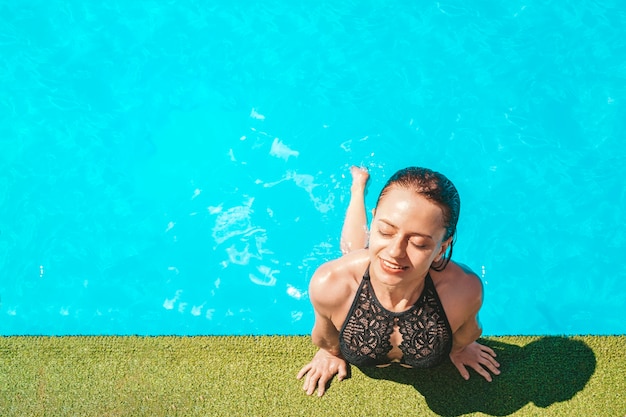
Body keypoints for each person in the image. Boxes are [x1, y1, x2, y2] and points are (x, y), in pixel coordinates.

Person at [296, 166, 500, 397]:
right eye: (385, 231)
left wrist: (462, 349)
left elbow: (467, 332)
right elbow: (326, 338)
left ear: (442, 248)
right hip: (353, 270)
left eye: (419, 243)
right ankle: (358, 188)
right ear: (374, 222)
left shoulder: (464, 290)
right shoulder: (332, 283)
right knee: (353, 251)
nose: (395, 252)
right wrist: (331, 353)